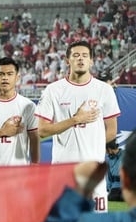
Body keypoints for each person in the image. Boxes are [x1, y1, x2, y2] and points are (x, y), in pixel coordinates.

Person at [35, 40, 120, 212]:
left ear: (91, 61)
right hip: (62, 172)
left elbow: (112, 130)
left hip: (94, 172)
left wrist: (94, 150)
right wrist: (75, 120)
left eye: (84, 56)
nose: (80, 59)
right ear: (67, 61)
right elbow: (42, 130)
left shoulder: (104, 90)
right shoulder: (54, 90)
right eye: (75, 55)